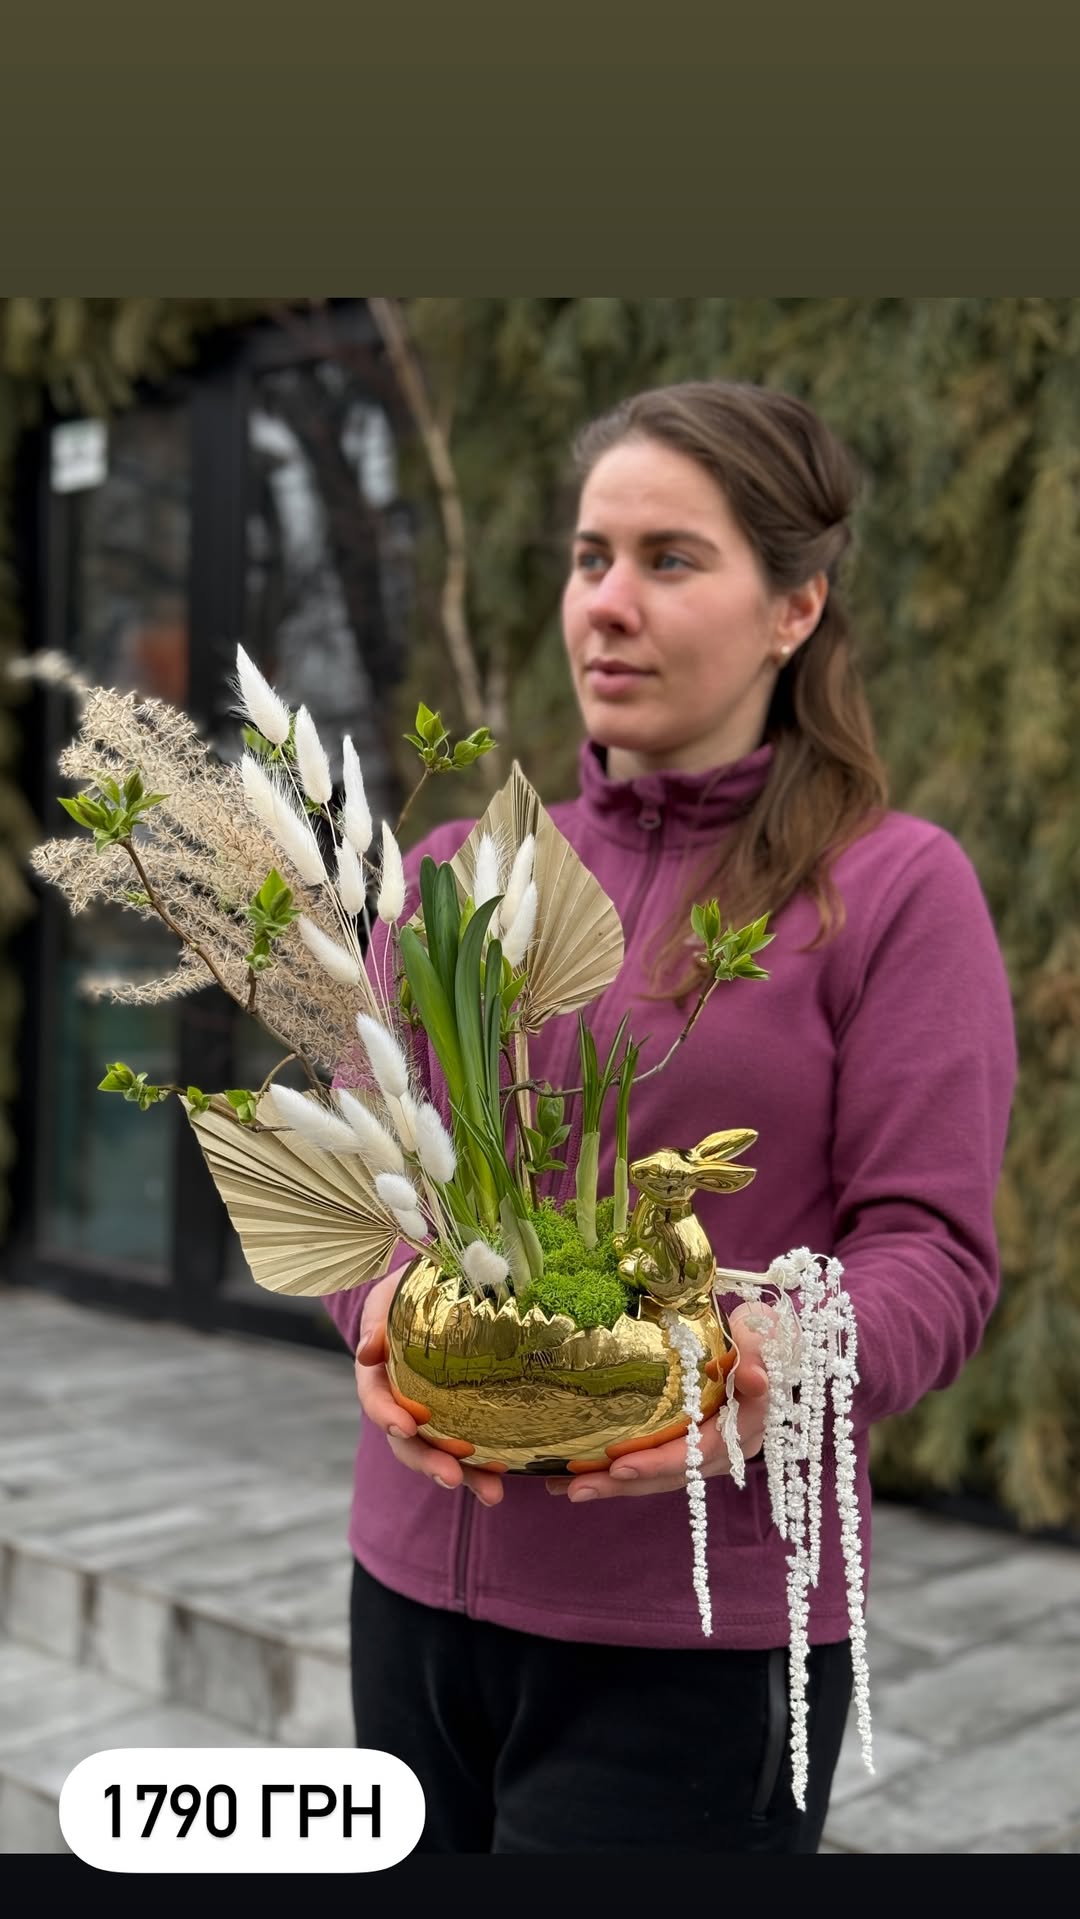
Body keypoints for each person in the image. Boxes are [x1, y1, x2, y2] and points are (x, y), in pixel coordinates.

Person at [323, 381, 1017, 1854]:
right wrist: (383, 1309)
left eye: (670, 559)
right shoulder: (464, 869)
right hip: (407, 1597)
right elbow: (359, 1176)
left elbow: (933, 1256)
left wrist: (763, 1362)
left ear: (796, 607)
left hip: (700, 1641)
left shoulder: (890, 893)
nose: (609, 605)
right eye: (591, 558)